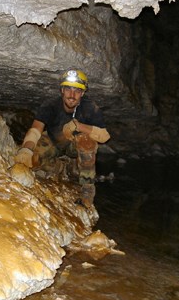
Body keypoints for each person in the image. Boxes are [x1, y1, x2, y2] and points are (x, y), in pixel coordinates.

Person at [13, 69, 110, 207]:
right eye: (68, 89)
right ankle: (58, 166)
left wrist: (79, 126)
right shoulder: (50, 105)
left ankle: (87, 191)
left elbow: (104, 136)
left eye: (77, 91)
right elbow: (36, 129)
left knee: (87, 140)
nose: (72, 95)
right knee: (30, 160)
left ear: (82, 93)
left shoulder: (90, 108)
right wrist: (26, 149)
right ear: (62, 90)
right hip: (54, 140)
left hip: (75, 145)